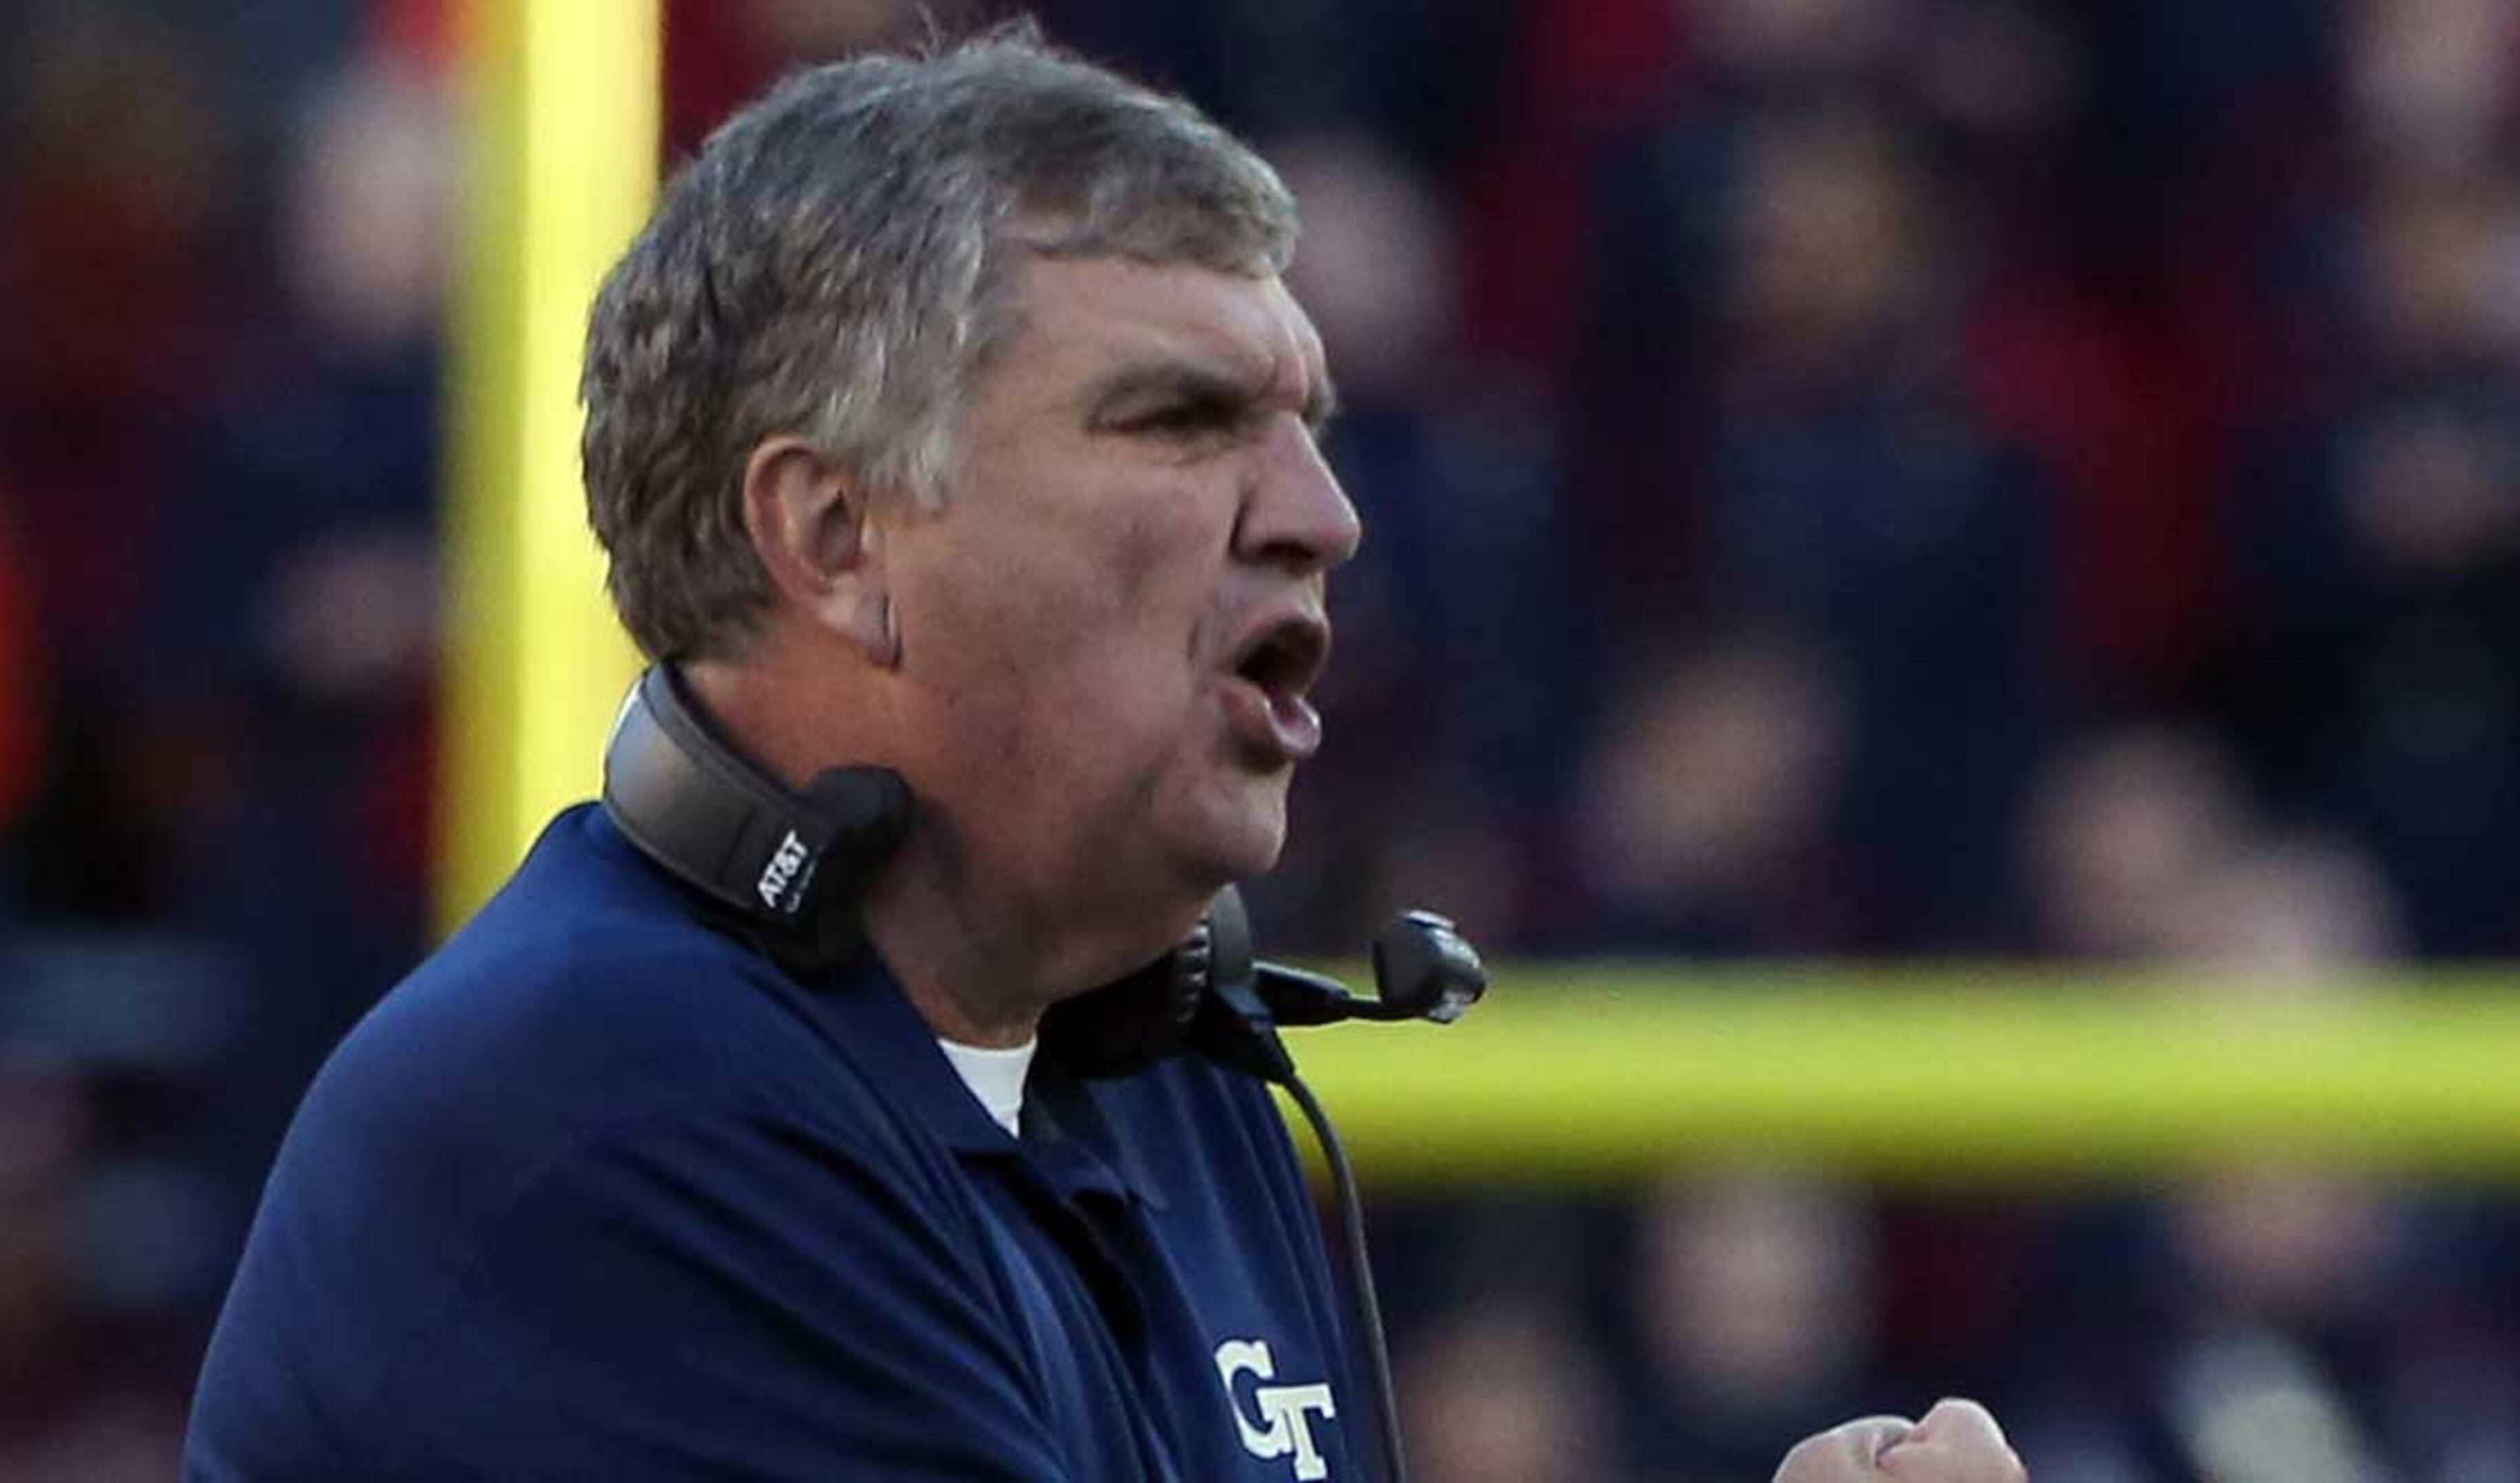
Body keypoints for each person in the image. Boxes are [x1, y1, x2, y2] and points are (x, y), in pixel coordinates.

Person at [183, 27, 2025, 1482]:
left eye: (1305, 420)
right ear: (835, 541)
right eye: (1180, 419)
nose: (1321, 512)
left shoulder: (1174, 1079)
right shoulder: (596, 1121)